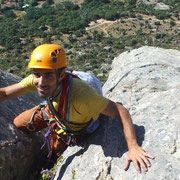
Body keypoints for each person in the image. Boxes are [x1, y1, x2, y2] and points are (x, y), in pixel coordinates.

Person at [0, 44, 154, 173]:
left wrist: (133, 146)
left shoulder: (82, 96)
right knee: (18, 123)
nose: (40, 82)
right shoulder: (38, 79)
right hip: (52, 112)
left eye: (48, 75)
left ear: (61, 75)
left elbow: (120, 111)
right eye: (36, 74)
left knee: (51, 158)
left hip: (72, 127)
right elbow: (6, 92)